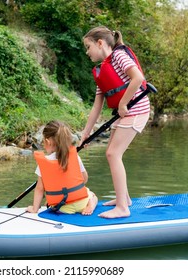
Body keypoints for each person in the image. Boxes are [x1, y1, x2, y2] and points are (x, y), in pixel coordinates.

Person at [80, 26, 151, 219]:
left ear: (100, 43)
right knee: (110, 152)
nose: (87, 52)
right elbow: (96, 107)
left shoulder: (119, 56)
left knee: (113, 153)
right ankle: (124, 199)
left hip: (136, 109)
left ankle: (122, 208)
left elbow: (138, 78)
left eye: (88, 47)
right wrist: (85, 133)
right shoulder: (101, 70)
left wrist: (122, 103)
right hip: (124, 112)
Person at [27, 120, 98, 215]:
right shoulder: (75, 156)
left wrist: (34, 209)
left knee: (48, 202)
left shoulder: (43, 163)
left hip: (61, 208)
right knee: (92, 195)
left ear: (48, 141)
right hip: (82, 204)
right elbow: (84, 179)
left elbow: (39, 189)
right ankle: (91, 205)